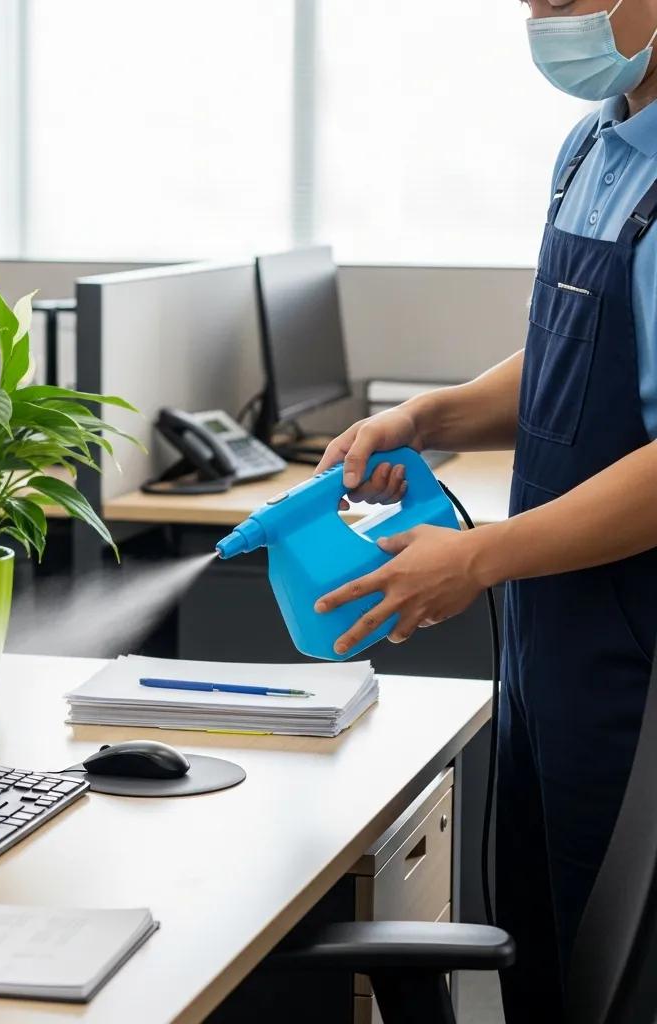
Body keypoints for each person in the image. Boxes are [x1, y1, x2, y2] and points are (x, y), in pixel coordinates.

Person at [311, 2, 657, 1020]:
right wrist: (430, 415)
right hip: (551, 642)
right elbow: (567, 352)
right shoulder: (592, 142)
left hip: (633, 651)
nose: (545, 19)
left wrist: (483, 556)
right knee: (542, 949)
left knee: (618, 971)